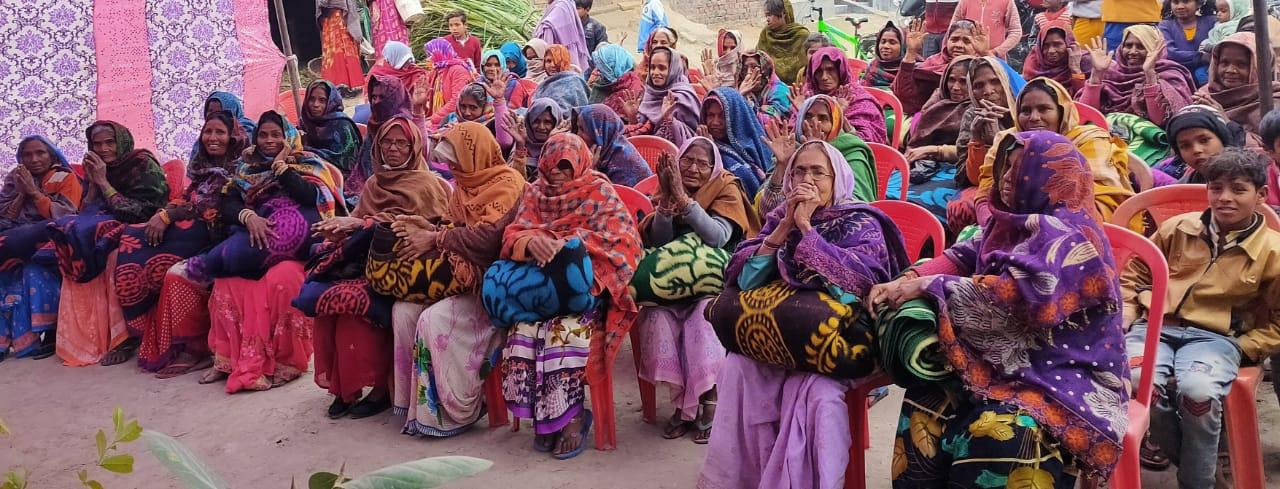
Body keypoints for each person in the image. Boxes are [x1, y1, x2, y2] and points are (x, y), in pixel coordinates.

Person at [871, 130, 1129, 486]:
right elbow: (962, 256)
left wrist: (929, 286)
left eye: (1019, 169)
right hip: (1000, 364)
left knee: (999, 434)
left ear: (1050, 179)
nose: (1006, 177)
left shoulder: (1071, 238)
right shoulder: (1006, 223)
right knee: (926, 400)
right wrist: (908, 278)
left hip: (1063, 376)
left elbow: (1017, 300)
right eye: (1006, 167)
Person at [698, 140, 910, 488]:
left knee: (814, 391)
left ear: (837, 179)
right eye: (799, 171)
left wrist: (807, 228)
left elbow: (856, 290)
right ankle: (746, 479)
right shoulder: (779, 219)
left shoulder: (861, 222)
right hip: (780, 334)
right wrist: (784, 228)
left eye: (817, 172)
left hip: (840, 345)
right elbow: (747, 282)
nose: (806, 180)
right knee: (738, 368)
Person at [1120, 148, 1280, 489]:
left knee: (1199, 394)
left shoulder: (1273, 250)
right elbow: (1136, 273)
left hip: (1216, 339)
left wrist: (1248, 346)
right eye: (1216, 188)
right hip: (1154, 328)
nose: (1225, 198)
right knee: (1137, 383)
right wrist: (1128, 311)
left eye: (1238, 189)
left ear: (1261, 194)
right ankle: (1203, 478)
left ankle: (1196, 482)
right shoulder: (1177, 228)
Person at [483, 133, 642, 459]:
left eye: (565, 165)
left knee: (563, 328)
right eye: (551, 165)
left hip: (590, 290)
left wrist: (569, 246)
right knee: (523, 327)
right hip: (542, 287)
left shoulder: (599, 191)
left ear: (579, 164)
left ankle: (572, 417)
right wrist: (532, 243)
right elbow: (512, 235)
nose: (556, 171)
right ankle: (546, 417)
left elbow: (626, 243)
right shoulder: (535, 193)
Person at [372, 121, 523, 434]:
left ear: (475, 154)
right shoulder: (464, 187)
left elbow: (489, 241)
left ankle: (454, 411)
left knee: (434, 319)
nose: (453, 168)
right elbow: (452, 227)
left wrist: (436, 238)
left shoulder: (509, 184)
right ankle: (416, 408)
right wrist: (428, 227)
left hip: (490, 286)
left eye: (457, 161)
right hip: (459, 278)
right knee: (403, 310)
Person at [300, 115, 450, 418]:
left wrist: (362, 224)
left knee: (361, 304)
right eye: (386, 142)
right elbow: (357, 220)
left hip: (403, 266)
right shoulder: (374, 183)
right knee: (332, 299)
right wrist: (339, 231)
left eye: (401, 143)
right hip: (366, 261)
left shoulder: (429, 185)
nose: (393, 149)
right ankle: (344, 387)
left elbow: (427, 229)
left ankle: (381, 388)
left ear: (414, 147)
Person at [187, 111, 343, 392]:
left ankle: (286, 362)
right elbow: (228, 203)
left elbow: (310, 197)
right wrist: (248, 216)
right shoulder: (247, 166)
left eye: (276, 135)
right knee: (226, 282)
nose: (269, 141)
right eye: (263, 135)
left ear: (288, 138)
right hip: (253, 239)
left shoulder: (308, 162)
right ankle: (227, 360)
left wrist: (281, 167)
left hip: (295, 250)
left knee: (282, 281)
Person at [635, 137, 761, 443]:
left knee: (701, 320)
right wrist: (666, 205)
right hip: (672, 285)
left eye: (702, 163)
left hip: (715, 283)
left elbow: (718, 237)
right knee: (657, 318)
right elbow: (660, 241)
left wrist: (683, 199)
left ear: (714, 167)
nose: (693, 168)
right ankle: (683, 405)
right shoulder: (668, 186)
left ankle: (709, 397)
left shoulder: (725, 187)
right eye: (687, 161)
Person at [116, 112, 245, 377]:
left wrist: (169, 215)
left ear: (232, 137)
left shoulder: (241, 169)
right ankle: (133, 333)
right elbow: (189, 199)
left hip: (226, 241)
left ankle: (195, 348)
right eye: (208, 131)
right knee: (130, 244)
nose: (212, 138)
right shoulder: (201, 169)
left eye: (220, 132)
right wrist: (167, 212)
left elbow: (215, 208)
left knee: (176, 275)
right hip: (197, 238)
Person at [51, 121, 169, 367]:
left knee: (110, 254)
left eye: (110, 142)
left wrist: (104, 182)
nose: (103, 149)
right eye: (97, 144)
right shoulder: (98, 168)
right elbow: (86, 209)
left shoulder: (142, 164)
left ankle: (123, 338)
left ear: (122, 142)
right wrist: (94, 182)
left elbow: (143, 212)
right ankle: (91, 336)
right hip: (106, 223)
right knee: (74, 244)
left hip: (145, 227)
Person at [977, 77, 1135, 221]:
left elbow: (1104, 200)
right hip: (1009, 220)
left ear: (1062, 112)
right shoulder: (1008, 140)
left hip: (1076, 221)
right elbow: (985, 190)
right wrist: (991, 222)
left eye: (1043, 109)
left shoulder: (1089, 140)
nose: (1034, 118)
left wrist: (1041, 223)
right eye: (1025, 111)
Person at [0, 136, 82, 361]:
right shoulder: (14, 179)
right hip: (15, 241)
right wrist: (22, 192)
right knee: (7, 275)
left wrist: (35, 193)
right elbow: (5, 220)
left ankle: (50, 334)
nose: (34, 159)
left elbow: (65, 216)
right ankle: (6, 341)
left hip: (50, 241)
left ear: (51, 155)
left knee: (34, 272)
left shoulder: (64, 177)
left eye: (40, 153)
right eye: (27, 155)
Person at [945, 56, 1025, 232]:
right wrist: (978, 140)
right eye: (978, 85)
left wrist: (999, 141)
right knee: (961, 208)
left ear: (1006, 81)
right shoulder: (973, 116)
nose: (988, 91)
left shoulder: (1025, 110)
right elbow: (970, 177)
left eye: (995, 82)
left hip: (1024, 180)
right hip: (985, 182)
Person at [762, 94, 879, 208]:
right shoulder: (790, 149)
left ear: (835, 124)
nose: (813, 123)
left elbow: (858, 204)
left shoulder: (851, 151)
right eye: (808, 116)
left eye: (823, 118)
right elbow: (765, 210)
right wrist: (782, 166)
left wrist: (819, 152)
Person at [901, 56, 976, 226]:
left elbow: (971, 152)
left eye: (963, 82)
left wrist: (934, 150)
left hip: (958, 168)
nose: (955, 87)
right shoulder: (937, 101)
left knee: (922, 207)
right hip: (922, 162)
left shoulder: (978, 110)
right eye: (951, 80)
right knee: (890, 194)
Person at [1079, 25, 1196, 127]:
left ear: (1155, 49)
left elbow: (1160, 121)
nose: (1133, 52)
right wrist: (1097, 74)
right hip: (1105, 135)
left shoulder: (1170, 74)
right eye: (1128, 45)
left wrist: (1150, 75)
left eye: (1141, 46)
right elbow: (1084, 115)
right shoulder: (1110, 73)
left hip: (1150, 139)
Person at [892, 18, 986, 115]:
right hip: (929, 115)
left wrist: (985, 52)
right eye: (954, 40)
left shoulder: (982, 66)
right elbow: (902, 93)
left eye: (967, 41)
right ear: (947, 40)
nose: (959, 45)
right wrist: (911, 52)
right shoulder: (932, 62)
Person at [1194, 32, 1280, 135]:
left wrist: (1226, 122)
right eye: (1224, 63)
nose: (1230, 70)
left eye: (1241, 64)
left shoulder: (1272, 101)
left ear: (1260, 68)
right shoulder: (1206, 96)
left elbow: (1269, 144)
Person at [348, 74, 414, 203]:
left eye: (382, 97)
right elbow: (365, 161)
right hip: (371, 182)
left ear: (395, 97)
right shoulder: (374, 121)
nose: (376, 102)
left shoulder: (402, 125)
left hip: (400, 186)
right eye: (374, 97)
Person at [803, 46, 889, 145]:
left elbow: (866, 143)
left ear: (841, 71)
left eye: (830, 70)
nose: (824, 77)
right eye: (818, 71)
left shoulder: (859, 99)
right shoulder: (807, 97)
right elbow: (792, 138)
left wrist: (839, 115)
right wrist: (800, 112)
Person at [699, 88, 773, 197]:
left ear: (737, 117)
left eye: (722, 116)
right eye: (710, 115)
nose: (715, 122)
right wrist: (710, 153)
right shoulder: (699, 149)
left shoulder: (758, 144)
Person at [1153, 105, 1249, 182]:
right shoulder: (1186, 188)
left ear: (1222, 138)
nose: (1196, 150)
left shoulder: (1252, 177)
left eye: (1204, 140)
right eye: (1185, 146)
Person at [628, 46, 699, 144]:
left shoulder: (682, 97)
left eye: (662, 68)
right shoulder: (649, 92)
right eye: (652, 67)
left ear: (673, 69)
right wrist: (632, 117)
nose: (655, 72)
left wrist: (669, 120)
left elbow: (691, 138)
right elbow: (641, 132)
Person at [572, 105, 654, 186]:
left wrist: (591, 170)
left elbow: (609, 193)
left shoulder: (622, 164)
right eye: (578, 128)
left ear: (599, 132)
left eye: (582, 129)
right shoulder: (606, 150)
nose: (578, 134)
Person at [301, 80, 362, 174]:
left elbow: (346, 161)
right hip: (312, 169)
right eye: (311, 99)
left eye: (322, 100)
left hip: (342, 175)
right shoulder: (306, 121)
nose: (315, 104)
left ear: (331, 102)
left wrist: (305, 150)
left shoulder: (342, 124)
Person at [1158, 0, 1216, 85]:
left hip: (1208, 76)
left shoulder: (1211, 22)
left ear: (1198, 4)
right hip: (1176, 78)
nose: (1180, 6)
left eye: (1185, 2)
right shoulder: (1165, 25)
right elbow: (1169, 53)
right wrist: (1201, 57)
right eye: (1176, 2)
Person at [507, 98, 568, 177]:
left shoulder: (563, 147)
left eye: (547, 122)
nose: (541, 127)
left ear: (556, 123)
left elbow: (552, 180)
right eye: (536, 121)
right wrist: (520, 145)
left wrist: (551, 144)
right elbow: (513, 178)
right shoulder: (522, 140)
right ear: (529, 121)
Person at [424, 38, 475, 131]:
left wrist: (434, 119)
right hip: (439, 118)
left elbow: (457, 101)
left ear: (439, 53)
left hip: (454, 119)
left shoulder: (458, 70)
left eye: (429, 55)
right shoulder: (437, 71)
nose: (428, 59)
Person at [1021, 25, 1091, 93]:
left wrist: (1076, 70)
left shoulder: (1085, 62)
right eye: (1046, 45)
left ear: (1069, 44)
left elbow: (1086, 96)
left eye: (1057, 44)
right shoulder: (1034, 62)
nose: (1051, 51)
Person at [756, 0, 809, 85]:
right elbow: (758, 59)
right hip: (772, 87)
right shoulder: (765, 34)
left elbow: (808, 67)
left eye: (769, 15)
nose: (767, 19)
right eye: (766, 15)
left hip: (798, 87)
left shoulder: (801, 36)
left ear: (783, 13)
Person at [316, 0, 366, 90]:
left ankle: (347, 83)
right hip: (332, 18)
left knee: (340, 49)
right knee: (337, 50)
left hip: (339, 18)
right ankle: (344, 83)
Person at [735, 50, 793, 123]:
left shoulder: (780, 90)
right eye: (744, 69)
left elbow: (772, 121)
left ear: (765, 70)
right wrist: (740, 96)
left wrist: (750, 106)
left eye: (754, 67)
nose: (748, 72)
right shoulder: (740, 89)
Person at [532, 0, 591, 72]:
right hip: (561, 53)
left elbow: (550, 24)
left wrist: (544, 25)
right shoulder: (563, 3)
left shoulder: (561, 6)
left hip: (561, 53)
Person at [950, 0, 1023, 58]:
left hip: (994, 60)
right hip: (965, 58)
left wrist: (996, 51)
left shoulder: (1006, 2)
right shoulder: (965, 1)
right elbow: (952, 28)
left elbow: (1016, 31)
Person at [532, 44, 590, 111]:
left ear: (565, 62)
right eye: (548, 61)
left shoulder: (574, 82)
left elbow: (572, 111)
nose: (552, 65)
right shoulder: (545, 83)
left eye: (557, 61)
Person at [863, 21, 906, 88]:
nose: (886, 46)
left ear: (903, 46)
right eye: (883, 42)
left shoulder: (911, 69)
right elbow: (861, 90)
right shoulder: (872, 66)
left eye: (892, 42)